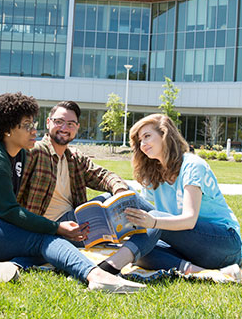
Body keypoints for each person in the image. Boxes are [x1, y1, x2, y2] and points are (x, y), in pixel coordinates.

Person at [0, 92, 144, 293]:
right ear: (7, 129)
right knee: (44, 240)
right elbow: (9, 211)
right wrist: (55, 227)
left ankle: (3, 265)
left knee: (43, 246)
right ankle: (96, 276)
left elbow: (99, 174)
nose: (33, 130)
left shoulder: (17, 156)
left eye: (32, 124)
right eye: (26, 126)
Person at [14, 101, 158, 275]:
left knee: (139, 217)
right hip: (51, 230)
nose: (64, 128)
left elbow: (103, 175)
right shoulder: (35, 152)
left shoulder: (74, 157)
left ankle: (179, 252)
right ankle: (177, 226)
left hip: (78, 229)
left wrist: (120, 190)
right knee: (153, 218)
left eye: (70, 124)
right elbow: (12, 194)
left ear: (77, 127)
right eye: (59, 121)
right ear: (48, 122)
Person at [124, 114, 242, 275]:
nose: (143, 144)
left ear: (165, 135)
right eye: (139, 141)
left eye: (147, 136)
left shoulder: (192, 165)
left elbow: (189, 220)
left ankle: (110, 267)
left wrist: (153, 221)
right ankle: (202, 272)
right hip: (189, 248)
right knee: (140, 252)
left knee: (156, 220)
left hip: (224, 245)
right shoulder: (152, 173)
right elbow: (146, 218)